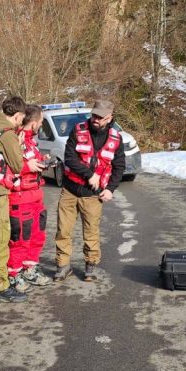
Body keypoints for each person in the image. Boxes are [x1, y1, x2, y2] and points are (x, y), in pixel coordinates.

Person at [0, 96, 44, 302]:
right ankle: (2, 286)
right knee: (0, 241)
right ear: (16, 116)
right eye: (20, 119)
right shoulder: (7, 134)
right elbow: (16, 165)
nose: (20, 124)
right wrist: (18, 144)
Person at [53, 100, 126, 282]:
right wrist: (89, 175)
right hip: (69, 190)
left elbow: (119, 167)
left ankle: (90, 267)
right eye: (94, 115)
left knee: (91, 232)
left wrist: (110, 189)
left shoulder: (116, 138)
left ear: (110, 118)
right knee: (63, 230)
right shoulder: (77, 130)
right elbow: (69, 158)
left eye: (101, 117)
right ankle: (63, 266)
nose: (96, 119)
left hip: (93, 195)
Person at [9, 105, 53, 287]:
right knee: (20, 239)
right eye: (41, 121)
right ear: (34, 123)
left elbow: (30, 161)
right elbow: (7, 168)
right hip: (19, 199)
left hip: (35, 197)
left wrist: (43, 161)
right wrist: (28, 167)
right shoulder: (13, 140)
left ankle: (30, 269)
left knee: (37, 236)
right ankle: (13, 274)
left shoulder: (31, 141)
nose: (41, 125)